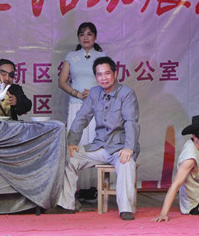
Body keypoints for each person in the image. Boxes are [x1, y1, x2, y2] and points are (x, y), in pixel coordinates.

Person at [52, 56, 140, 220]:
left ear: (115, 73)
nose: (103, 78)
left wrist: (129, 147)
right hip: (99, 147)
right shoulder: (94, 93)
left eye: (107, 73)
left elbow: (131, 122)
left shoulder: (127, 93)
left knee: (127, 163)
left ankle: (125, 209)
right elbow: (81, 118)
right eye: (99, 74)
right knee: (69, 157)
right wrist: (71, 142)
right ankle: (66, 205)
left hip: (120, 147)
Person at [58, 22, 106, 197]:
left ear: (95, 37)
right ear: (78, 37)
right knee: (76, 144)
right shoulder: (72, 56)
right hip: (77, 105)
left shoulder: (102, 56)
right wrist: (77, 93)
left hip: (97, 106)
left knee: (95, 143)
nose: (85, 38)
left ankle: (94, 187)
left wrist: (95, 92)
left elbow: (109, 82)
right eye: (82, 34)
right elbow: (62, 81)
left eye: (89, 34)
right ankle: (73, 189)